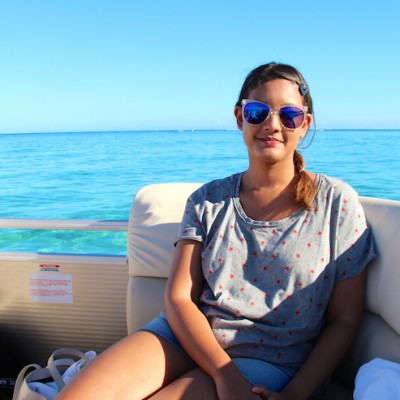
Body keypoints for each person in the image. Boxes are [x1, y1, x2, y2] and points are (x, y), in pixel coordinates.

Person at [56, 62, 376, 400]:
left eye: (289, 115)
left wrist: (295, 395)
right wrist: (224, 374)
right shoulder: (207, 200)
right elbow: (179, 297)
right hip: (186, 337)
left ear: (304, 124)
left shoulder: (336, 204)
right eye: (258, 112)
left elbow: (344, 319)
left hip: (271, 357)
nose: (272, 125)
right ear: (240, 117)